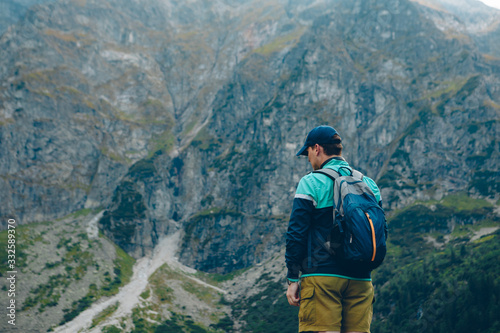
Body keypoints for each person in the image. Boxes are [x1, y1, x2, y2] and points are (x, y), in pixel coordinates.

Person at [285, 125, 382, 333]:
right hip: (361, 279)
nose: (308, 159)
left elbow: (296, 233)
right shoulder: (369, 185)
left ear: (317, 148)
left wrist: (293, 278)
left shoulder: (311, 182)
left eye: (308, 152)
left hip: (322, 279)